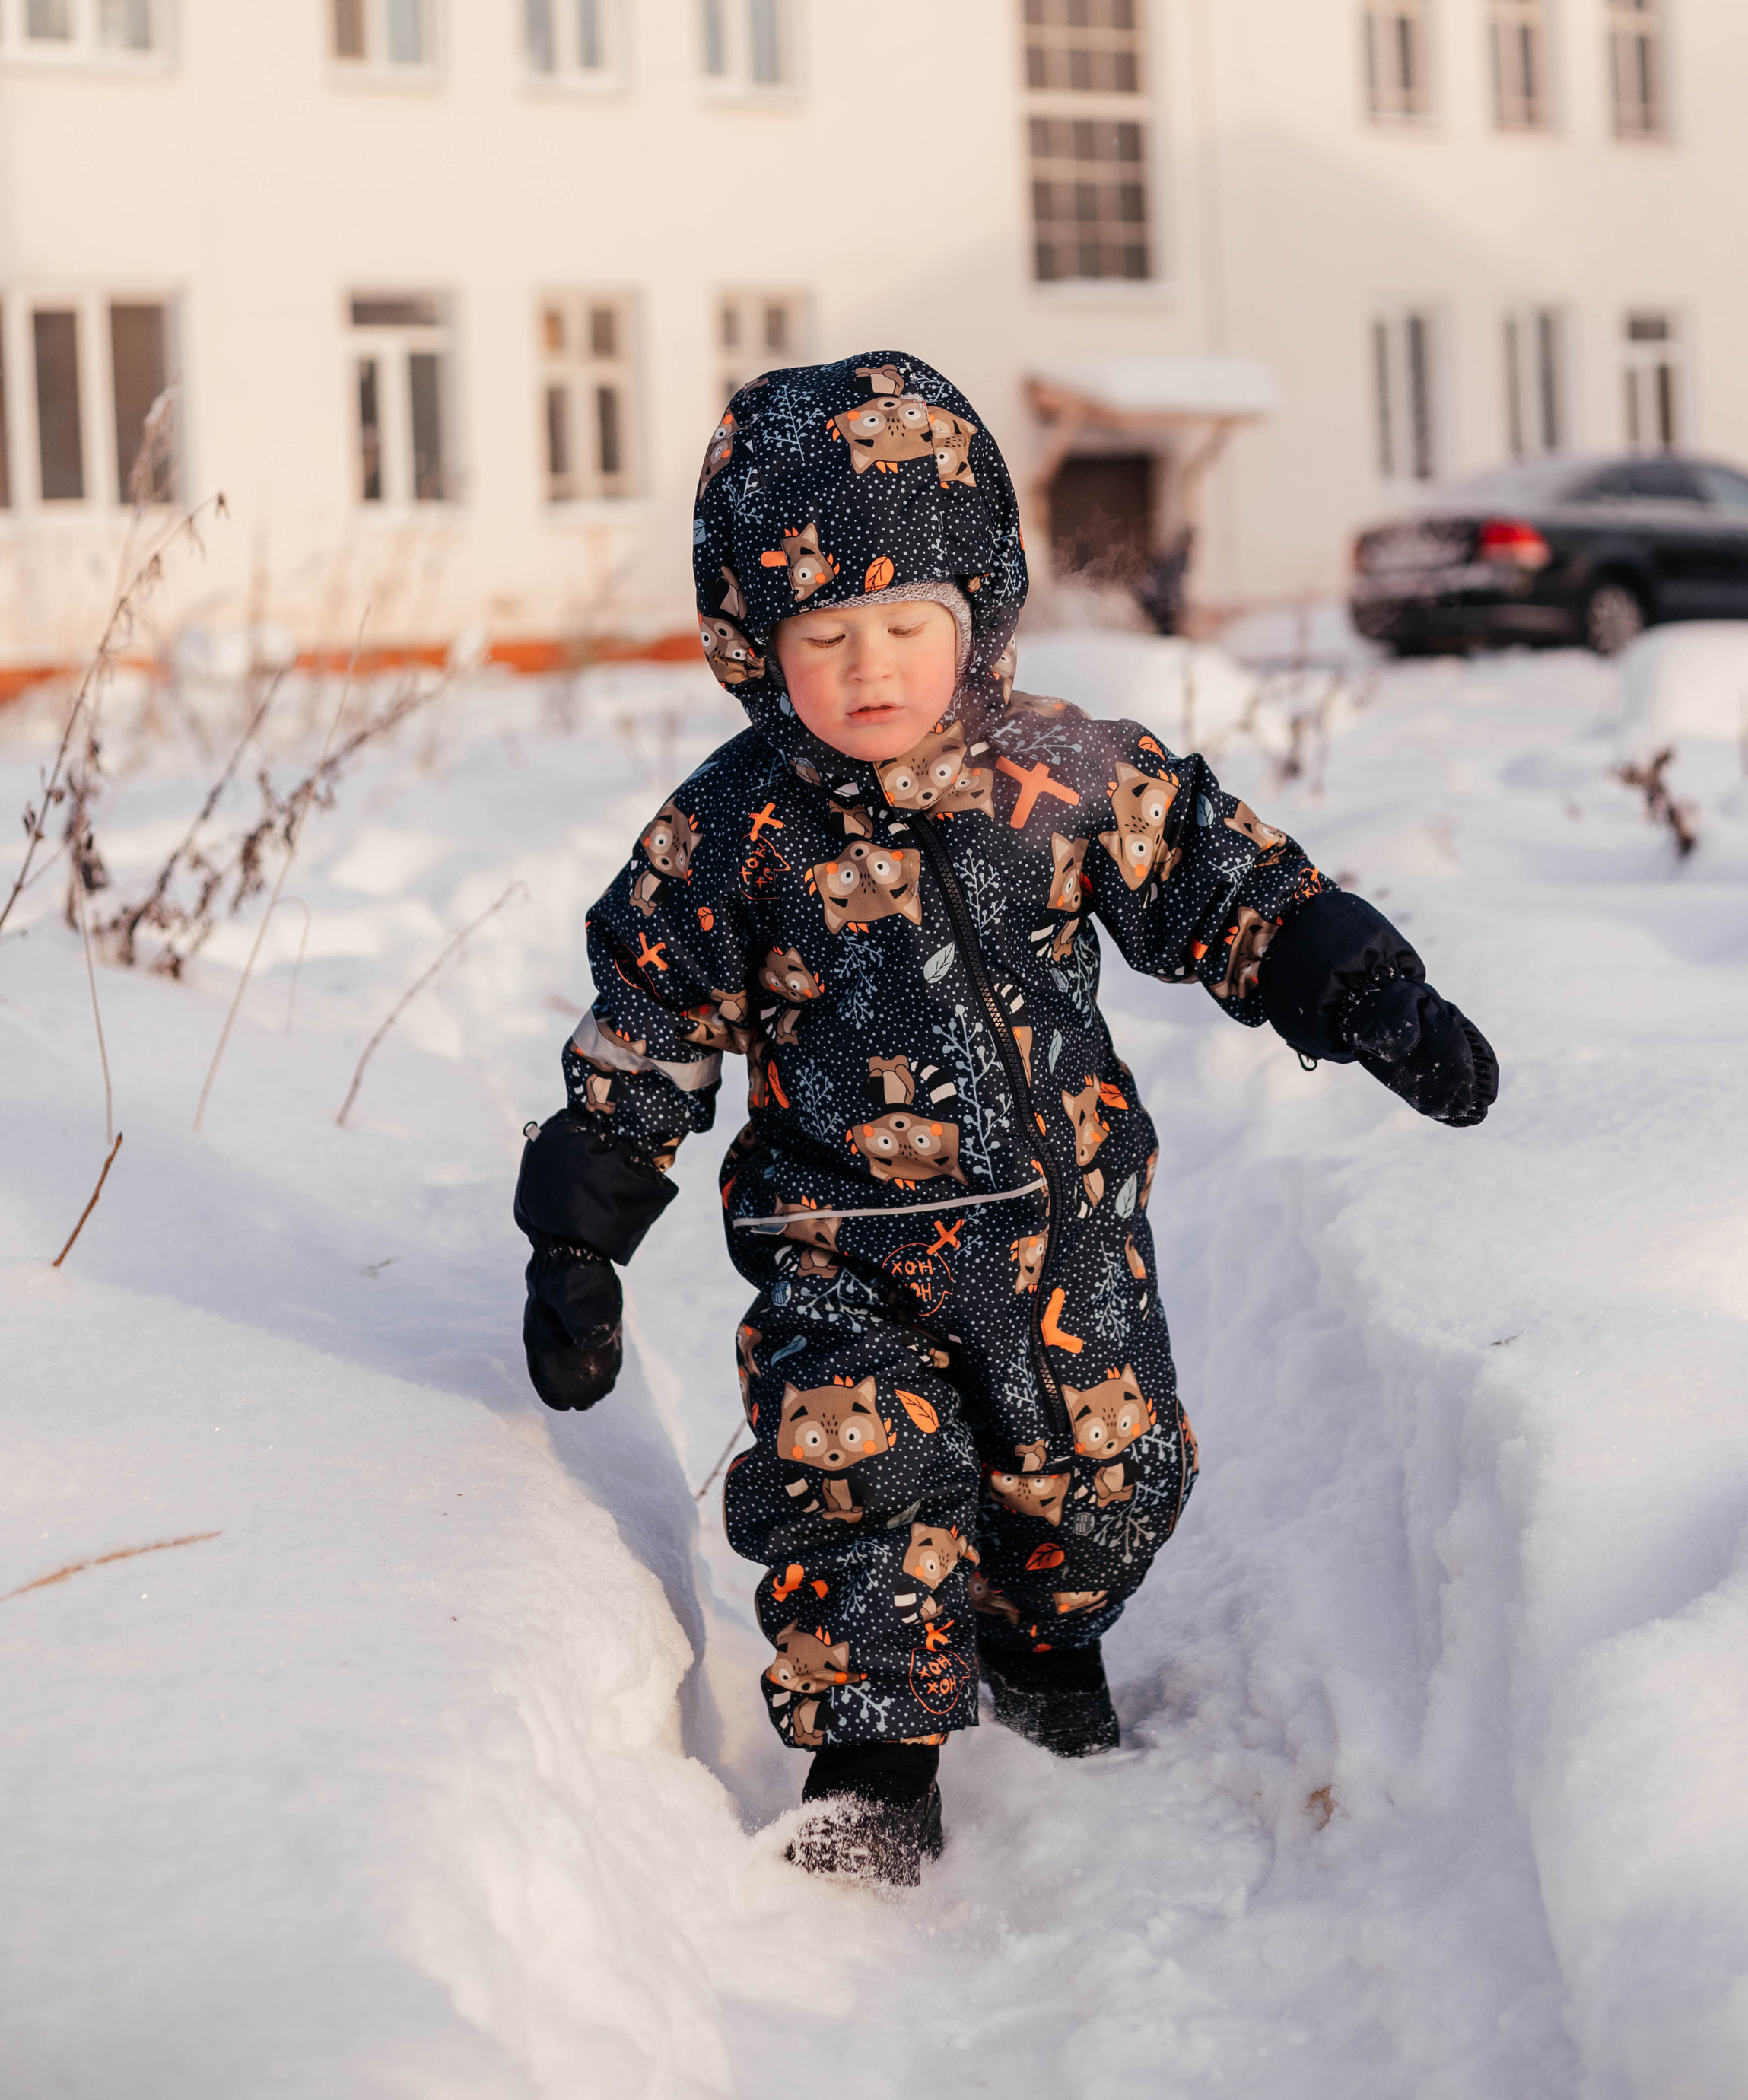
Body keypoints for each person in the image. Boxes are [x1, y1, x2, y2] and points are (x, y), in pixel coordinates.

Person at [513, 352, 1497, 1887]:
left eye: (907, 624)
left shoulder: (1060, 773)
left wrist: (1354, 987)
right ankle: (872, 1770)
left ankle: (1040, 1650)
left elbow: (1217, 879)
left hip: (1064, 1233)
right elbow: (645, 1029)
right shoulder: (725, 835)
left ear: (974, 609)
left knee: (1104, 1489)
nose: (868, 667)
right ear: (752, 644)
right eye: (821, 635)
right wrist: (578, 1236)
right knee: (857, 1484)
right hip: (842, 1252)